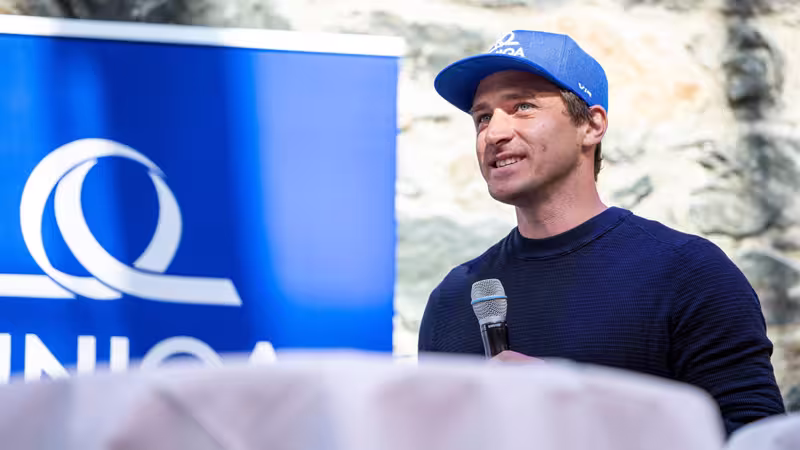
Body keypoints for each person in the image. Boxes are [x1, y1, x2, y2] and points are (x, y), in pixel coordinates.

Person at [417, 29, 786, 436]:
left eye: (522, 106)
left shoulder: (688, 274)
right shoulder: (454, 298)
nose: (494, 133)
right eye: (483, 117)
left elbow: (756, 438)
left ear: (592, 126)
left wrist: (582, 407)